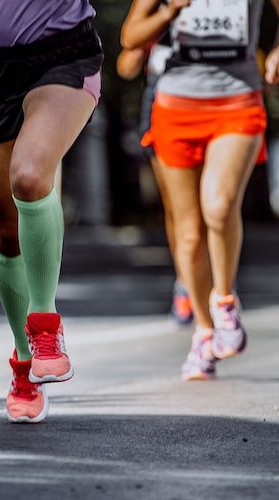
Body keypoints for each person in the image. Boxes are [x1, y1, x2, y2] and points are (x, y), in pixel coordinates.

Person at [0, 1, 103, 422]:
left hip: (63, 52)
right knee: (5, 229)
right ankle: (24, 364)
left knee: (31, 176)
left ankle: (44, 325)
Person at [121, 0, 279, 380]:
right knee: (188, 233)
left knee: (220, 206)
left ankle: (224, 300)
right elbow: (129, 37)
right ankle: (204, 331)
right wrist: (168, 11)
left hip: (237, 102)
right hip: (175, 106)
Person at [117, 35, 194, 326]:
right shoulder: (159, 6)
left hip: (216, 96)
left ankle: (219, 283)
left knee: (214, 203)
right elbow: (126, 65)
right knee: (177, 206)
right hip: (163, 96)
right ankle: (185, 282)